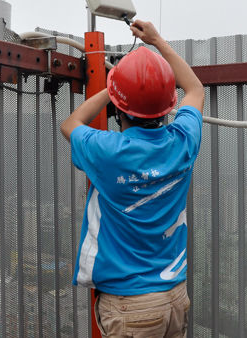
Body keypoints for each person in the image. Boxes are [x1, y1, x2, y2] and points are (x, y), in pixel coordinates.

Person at [61, 19, 205, 337]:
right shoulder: (182, 140)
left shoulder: (109, 152)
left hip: (130, 306)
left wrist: (111, 88)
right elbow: (194, 88)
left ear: (119, 109)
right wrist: (157, 40)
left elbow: (71, 124)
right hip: (174, 297)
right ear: (168, 108)